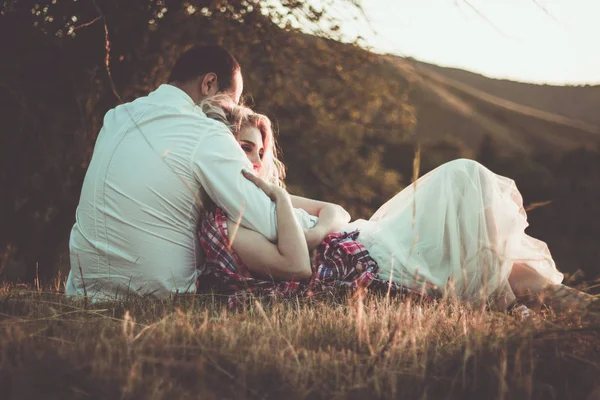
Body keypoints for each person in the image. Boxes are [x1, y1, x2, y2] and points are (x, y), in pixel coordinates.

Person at [199, 100, 599, 315]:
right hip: (372, 264)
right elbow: (296, 267)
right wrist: (285, 202)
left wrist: (316, 230)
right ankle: (525, 308)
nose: (246, 156)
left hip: (370, 236)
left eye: (254, 147)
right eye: (236, 146)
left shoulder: (265, 195)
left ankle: (581, 313)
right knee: (466, 183)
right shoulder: (223, 222)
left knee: (505, 266)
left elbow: (334, 210)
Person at [66, 45, 283, 300]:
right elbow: (269, 223)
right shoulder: (207, 131)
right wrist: (328, 219)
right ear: (209, 83)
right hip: (158, 296)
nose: (230, 116)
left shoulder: (116, 117)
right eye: (230, 103)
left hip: (83, 291)